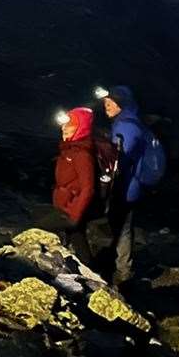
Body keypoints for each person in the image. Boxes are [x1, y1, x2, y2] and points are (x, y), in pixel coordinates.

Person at [99, 85, 146, 285]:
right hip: (129, 185)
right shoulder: (127, 123)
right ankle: (120, 267)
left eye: (111, 102)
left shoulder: (126, 126)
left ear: (122, 104)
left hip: (126, 186)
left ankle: (122, 271)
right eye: (105, 102)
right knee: (122, 226)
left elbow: (119, 158)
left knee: (122, 227)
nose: (106, 106)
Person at [52, 107, 101, 265]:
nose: (63, 128)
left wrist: (74, 216)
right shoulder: (70, 150)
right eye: (63, 125)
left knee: (75, 238)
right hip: (65, 206)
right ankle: (91, 272)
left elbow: (88, 188)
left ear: (81, 128)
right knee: (76, 239)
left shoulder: (81, 154)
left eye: (69, 125)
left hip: (71, 210)